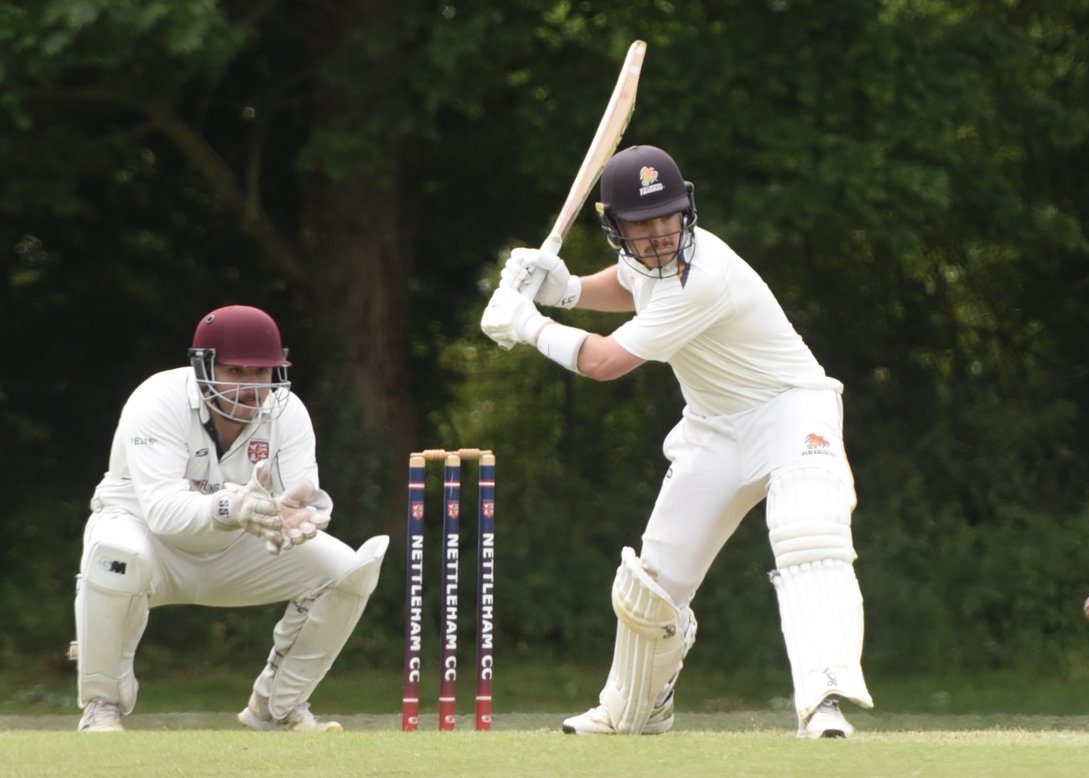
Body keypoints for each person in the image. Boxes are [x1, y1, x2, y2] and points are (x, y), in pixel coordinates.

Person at [480, 145, 873, 738]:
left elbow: (607, 362)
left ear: (686, 209)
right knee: (653, 585)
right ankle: (634, 710)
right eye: (643, 223)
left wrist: (529, 324)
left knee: (808, 536)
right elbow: (631, 283)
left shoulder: (704, 273)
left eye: (669, 217)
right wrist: (566, 290)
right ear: (616, 228)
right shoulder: (648, 263)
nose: (661, 234)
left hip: (792, 411)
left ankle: (825, 704)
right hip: (714, 426)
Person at [73, 304, 389, 733]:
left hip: (237, 547)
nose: (250, 387)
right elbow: (164, 513)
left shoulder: (287, 412)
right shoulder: (156, 400)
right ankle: (102, 706)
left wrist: (298, 514)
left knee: (346, 571)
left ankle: (277, 707)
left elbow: (300, 497)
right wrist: (232, 505)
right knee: (115, 558)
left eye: (261, 374)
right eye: (236, 372)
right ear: (203, 366)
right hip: (147, 536)